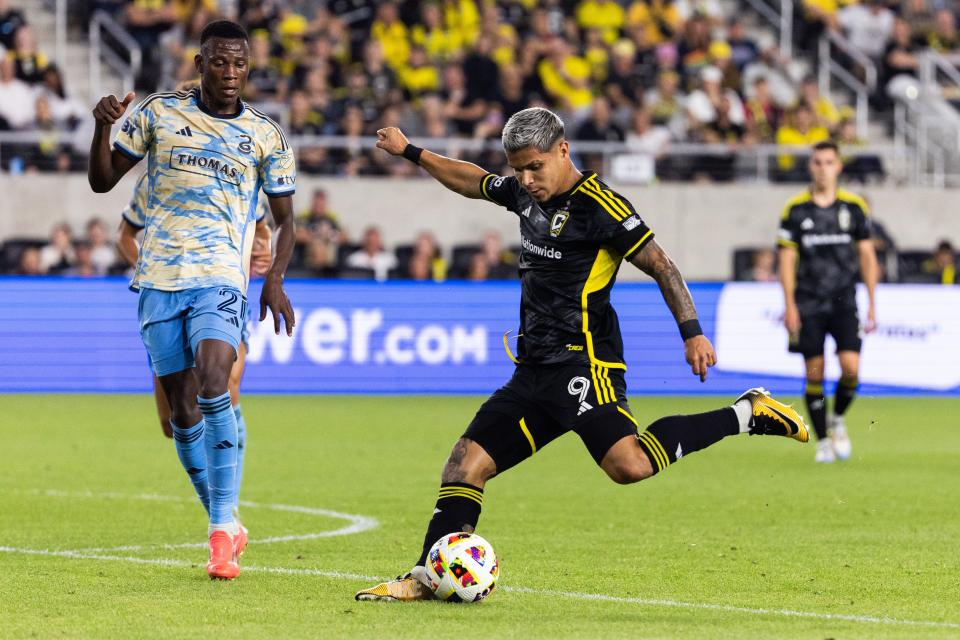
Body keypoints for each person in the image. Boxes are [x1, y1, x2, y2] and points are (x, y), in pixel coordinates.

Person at [356, 107, 809, 602]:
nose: (526, 180)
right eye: (518, 170)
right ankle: (425, 577)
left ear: (563, 151)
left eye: (535, 167)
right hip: (533, 368)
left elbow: (662, 265)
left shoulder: (601, 206)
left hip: (584, 363)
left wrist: (693, 333)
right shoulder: (524, 196)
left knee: (628, 466)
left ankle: (746, 413)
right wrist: (413, 152)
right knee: (464, 465)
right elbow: (474, 181)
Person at [87, 20, 297, 580]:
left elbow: (286, 218)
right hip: (158, 280)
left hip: (221, 280)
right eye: (220, 62)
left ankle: (220, 533)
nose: (231, 74)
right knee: (179, 414)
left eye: (240, 64)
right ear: (200, 63)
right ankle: (225, 520)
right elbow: (103, 182)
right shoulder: (159, 114)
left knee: (213, 381)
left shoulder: (265, 135)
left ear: (248, 68)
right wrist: (101, 131)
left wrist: (274, 277)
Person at [117, 170, 273, 530]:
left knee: (225, 386)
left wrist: (262, 252)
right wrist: (148, 266)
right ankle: (221, 512)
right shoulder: (155, 180)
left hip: (220, 290)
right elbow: (124, 235)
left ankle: (226, 510)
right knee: (173, 422)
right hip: (166, 296)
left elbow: (263, 229)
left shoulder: (239, 174)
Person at [777, 141, 878, 464]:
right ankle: (822, 441)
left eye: (829, 162)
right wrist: (790, 305)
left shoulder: (854, 207)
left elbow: (867, 255)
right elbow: (786, 260)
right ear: (810, 167)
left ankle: (837, 419)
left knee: (851, 369)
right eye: (817, 162)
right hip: (808, 302)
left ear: (838, 167)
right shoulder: (795, 209)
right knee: (814, 373)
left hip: (844, 300)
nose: (823, 168)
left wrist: (873, 301)